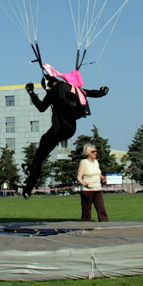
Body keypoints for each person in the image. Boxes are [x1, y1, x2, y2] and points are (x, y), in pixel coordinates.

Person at [22, 70, 109, 199]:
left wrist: (31, 92)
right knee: (43, 145)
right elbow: (89, 93)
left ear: (48, 85)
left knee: (39, 157)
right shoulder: (71, 88)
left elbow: (41, 107)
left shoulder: (54, 90)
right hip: (70, 129)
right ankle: (31, 168)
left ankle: (27, 189)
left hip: (59, 129)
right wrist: (102, 92)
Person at [76, 144, 108, 222]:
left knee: (101, 209)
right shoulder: (84, 162)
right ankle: (86, 226)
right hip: (87, 191)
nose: (95, 153)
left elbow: (97, 173)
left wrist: (102, 177)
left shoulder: (96, 162)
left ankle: (105, 224)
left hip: (97, 189)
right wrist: (85, 184)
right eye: (93, 151)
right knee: (86, 211)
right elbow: (79, 178)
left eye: (96, 151)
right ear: (88, 153)